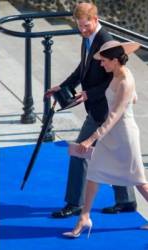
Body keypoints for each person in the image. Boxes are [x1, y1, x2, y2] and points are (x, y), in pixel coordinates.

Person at [46, 2, 137, 218]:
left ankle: (74, 203)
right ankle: (126, 201)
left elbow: (116, 76)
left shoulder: (105, 41)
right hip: (98, 108)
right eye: (79, 26)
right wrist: (64, 86)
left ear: (95, 20)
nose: (83, 30)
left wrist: (89, 94)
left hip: (105, 109)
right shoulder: (88, 38)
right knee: (115, 154)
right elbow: (83, 69)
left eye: (86, 25)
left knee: (79, 151)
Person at [63, 40, 148, 238]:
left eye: (104, 61)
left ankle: (84, 217)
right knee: (93, 173)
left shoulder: (125, 80)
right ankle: (84, 218)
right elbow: (132, 99)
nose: (101, 64)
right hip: (111, 135)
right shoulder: (117, 74)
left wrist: (89, 140)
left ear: (115, 60)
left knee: (139, 181)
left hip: (124, 137)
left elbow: (113, 117)